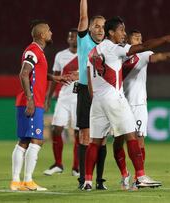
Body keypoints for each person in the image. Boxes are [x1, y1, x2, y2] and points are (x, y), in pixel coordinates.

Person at [83, 16, 170, 191]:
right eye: (121, 30)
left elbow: (91, 80)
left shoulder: (93, 52)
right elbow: (143, 47)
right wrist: (165, 39)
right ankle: (141, 176)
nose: (123, 33)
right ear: (111, 32)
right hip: (114, 98)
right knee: (131, 137)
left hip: (97, 101)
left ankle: (88, 181)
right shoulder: (114, 49)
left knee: (94, 142)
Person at [115, 30, 170, 190]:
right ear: (128, 39)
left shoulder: (144, 54)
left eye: (141, 37)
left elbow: (163, 56)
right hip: (119, 103)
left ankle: (140, 176)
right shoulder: (119, 54)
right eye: (135, 37)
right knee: (118, 141)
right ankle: (124, 175)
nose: (139, 39)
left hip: (138, 104)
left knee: (139, 140)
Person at [11, 20, 73, 191]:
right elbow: (24, 74)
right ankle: (28, 181)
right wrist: (30, 99)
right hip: (32, 102)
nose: (51, 32)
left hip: (30, 101)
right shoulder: (33, 50)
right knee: (37, 140)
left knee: (24, 141)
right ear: (41, 35)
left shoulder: (38, 52)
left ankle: (16, 182)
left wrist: (55, 78)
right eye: (48, 30)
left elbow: (36, 73)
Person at [76, 0, 107, 190]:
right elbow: (83, 17)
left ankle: (99, 180)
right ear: (89, 29)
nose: (100, 30)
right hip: (85, 91)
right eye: (96, 26)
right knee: (85, 135)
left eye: (103, 27)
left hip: (103, 93)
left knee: (102, 137)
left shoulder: (108, 46)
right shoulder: (84, 40)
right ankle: (83, 180)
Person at [43, 28, 80, 177]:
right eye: (70, 36)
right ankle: (58, 164)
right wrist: (48, 98)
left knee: (78, 133)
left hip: (79, 98)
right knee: (56, 130)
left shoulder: (86, 55)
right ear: (67, 38)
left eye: (75, 36)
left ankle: (76, 167)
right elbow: (55, 78)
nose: (72, 38)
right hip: (63, 98)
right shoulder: (60, 55)